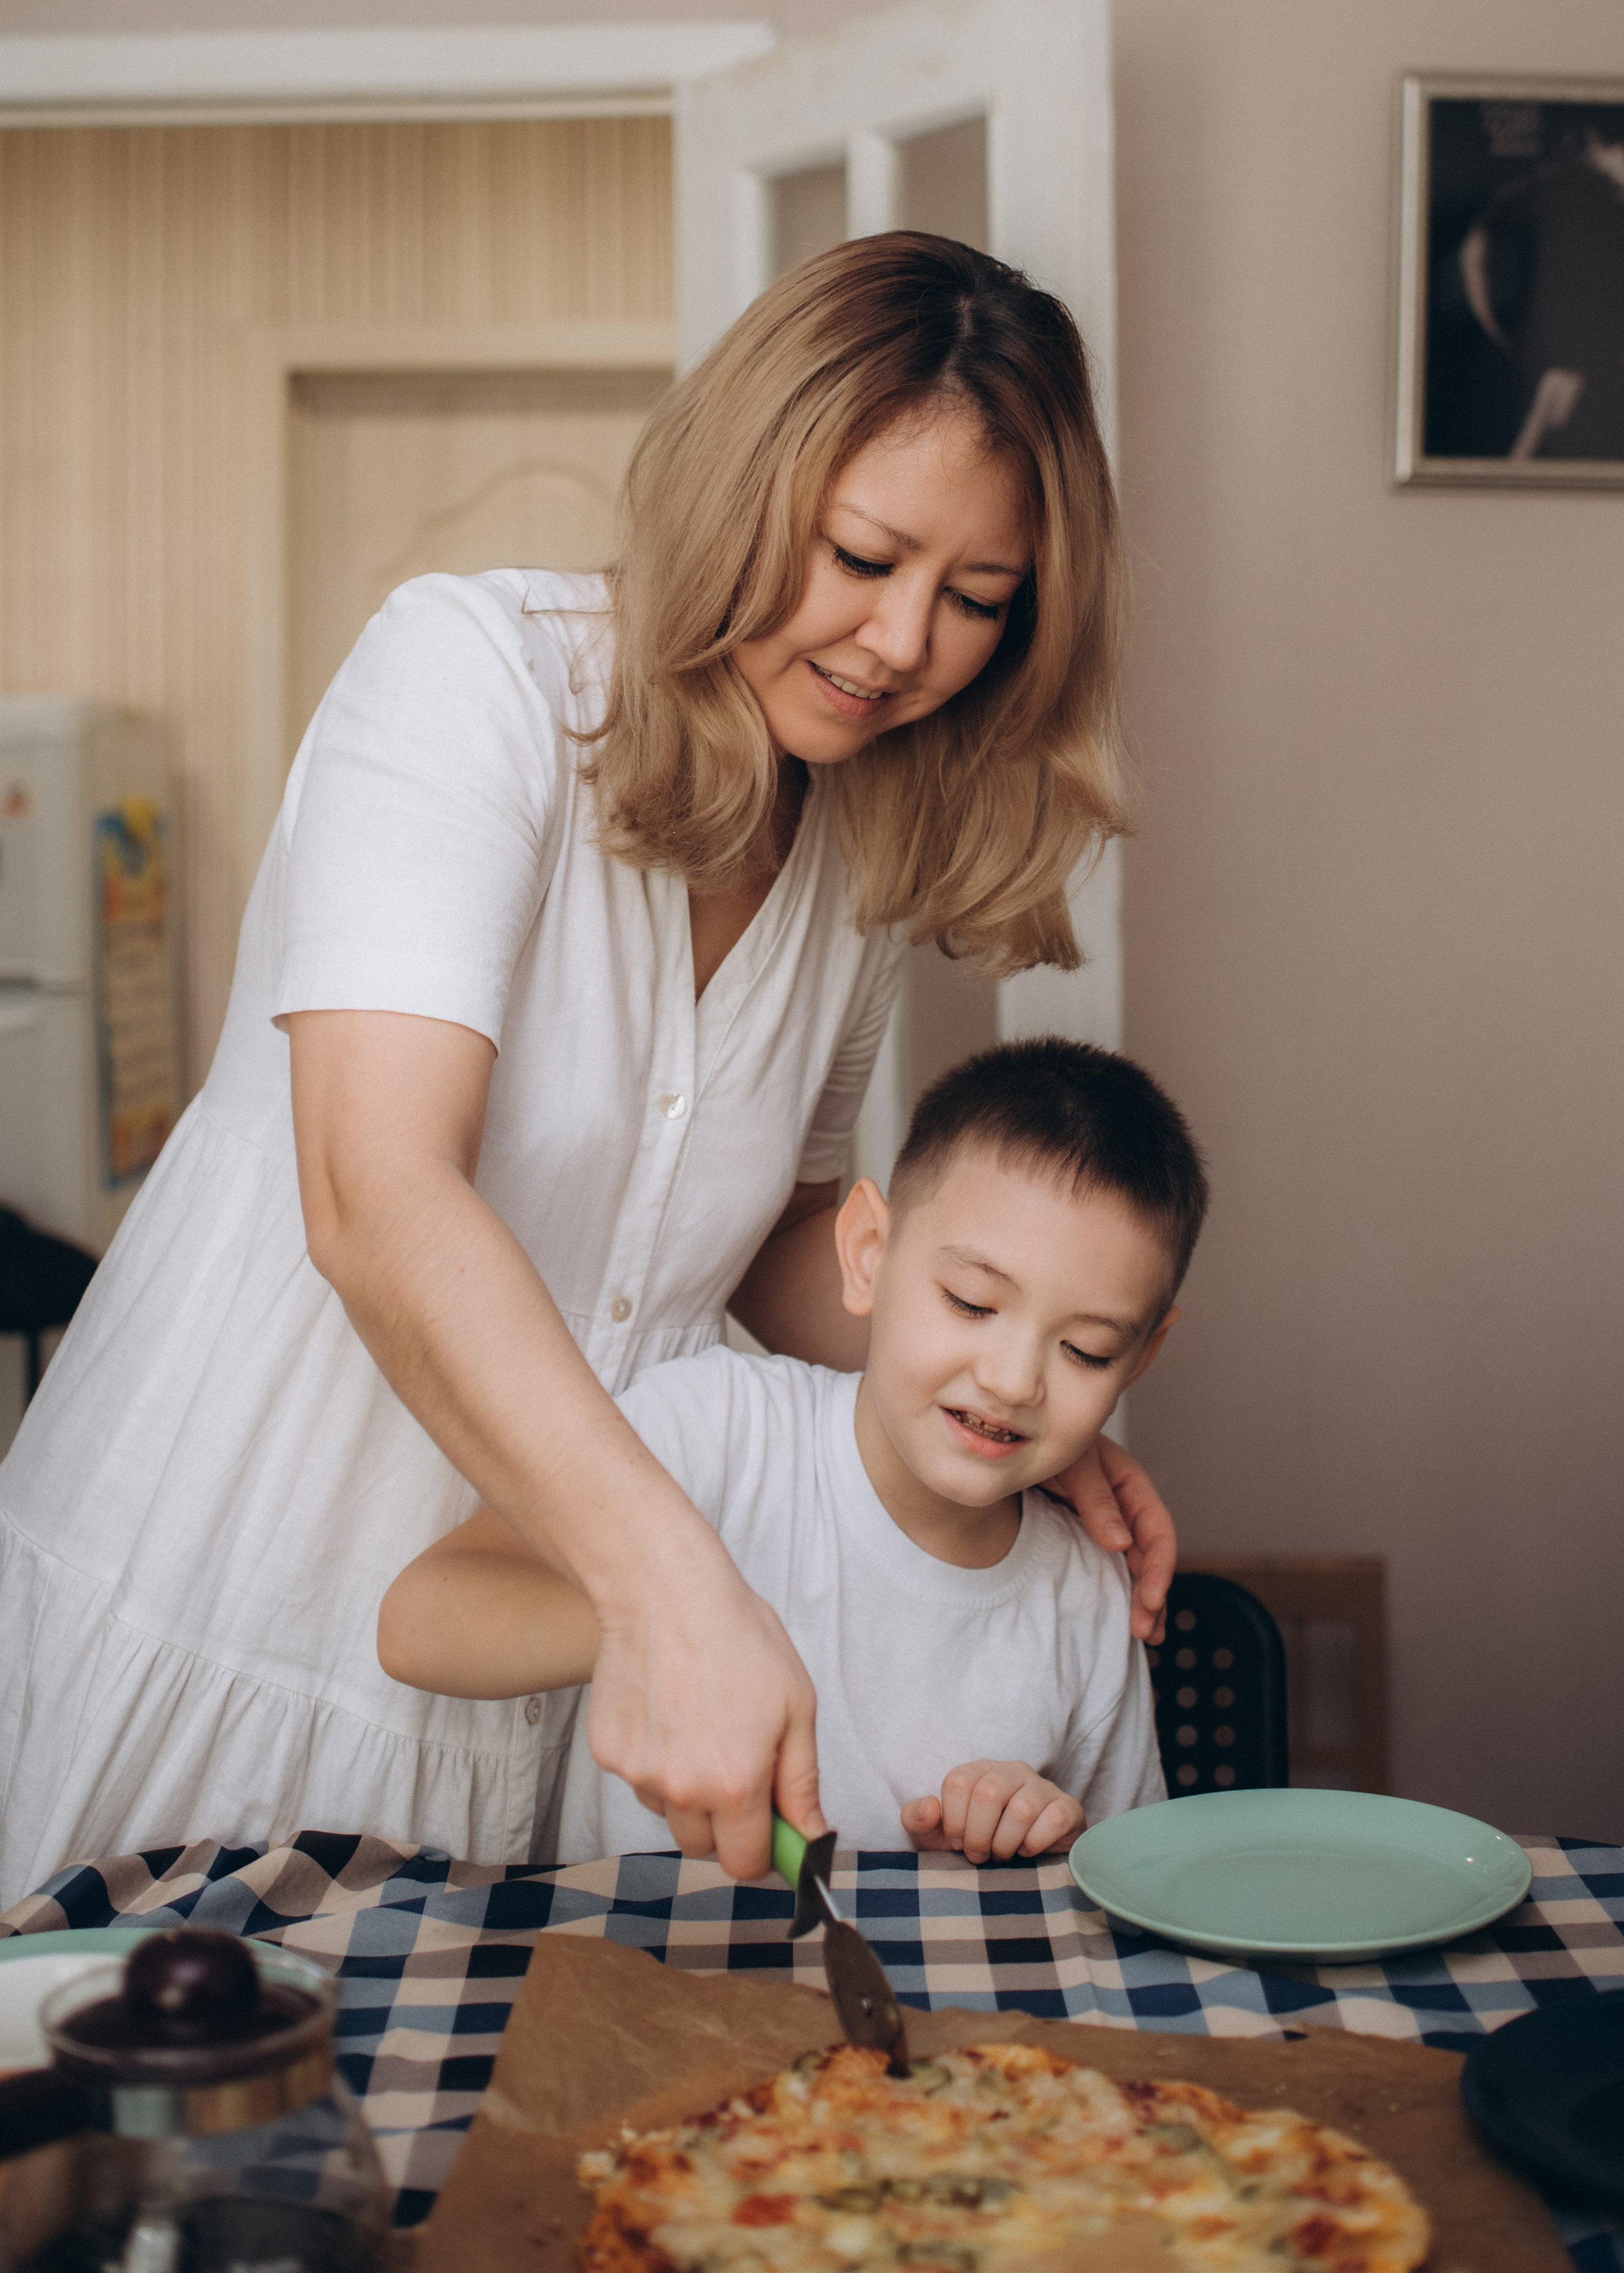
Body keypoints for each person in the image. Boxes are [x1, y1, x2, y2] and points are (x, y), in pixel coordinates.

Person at [0, 233, 1179, 1914]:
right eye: (861, 553)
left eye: (977, 599)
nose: (903, 638)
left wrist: (994, 1386)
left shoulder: (851, 841)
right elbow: (374, 1189)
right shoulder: (473, 677)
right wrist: (672, 1575)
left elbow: (769, 1230)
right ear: (744, 490)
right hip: (225, 1593)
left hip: (523, 1685)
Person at [378, 1039, 1204, 1863]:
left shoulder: (1087, 1594)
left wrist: (1043, 1832)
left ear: (1142, 1354)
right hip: (646, 1977)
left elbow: (1129, 1877)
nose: (1014, 1378)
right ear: (868, 1254)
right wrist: (672, 1623)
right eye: (971, 1301)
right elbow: (418, 1620)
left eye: (1087, 1349)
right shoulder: (718, 1425)